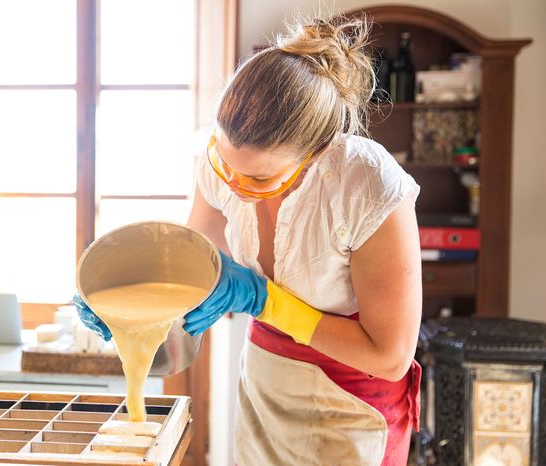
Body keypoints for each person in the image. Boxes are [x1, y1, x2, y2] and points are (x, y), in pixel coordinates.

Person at [76, 15, 422, 466]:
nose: (235, 185)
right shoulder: (218, 160)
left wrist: (264, 300)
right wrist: (117, 298)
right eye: (226, 165)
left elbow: (390, 356)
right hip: (265, 384)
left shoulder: (367, 186)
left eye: (258, 176)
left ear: (314, 154)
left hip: (352, 404)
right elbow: (194, 263)